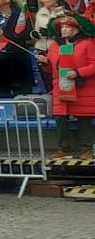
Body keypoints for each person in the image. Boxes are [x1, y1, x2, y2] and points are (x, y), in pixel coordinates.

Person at [44, 11, 95, 163]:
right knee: (60, 118)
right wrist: (45, 63)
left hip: (83, 87)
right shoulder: (55, 45)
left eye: (67, 27)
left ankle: (86, 149)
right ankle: (63, 149)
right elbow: (53, 68)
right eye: (62, 27)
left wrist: (78, 72)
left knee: (84, 118)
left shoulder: (88, 43)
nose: (63, 30)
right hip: (61, 86)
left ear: (76, 29)